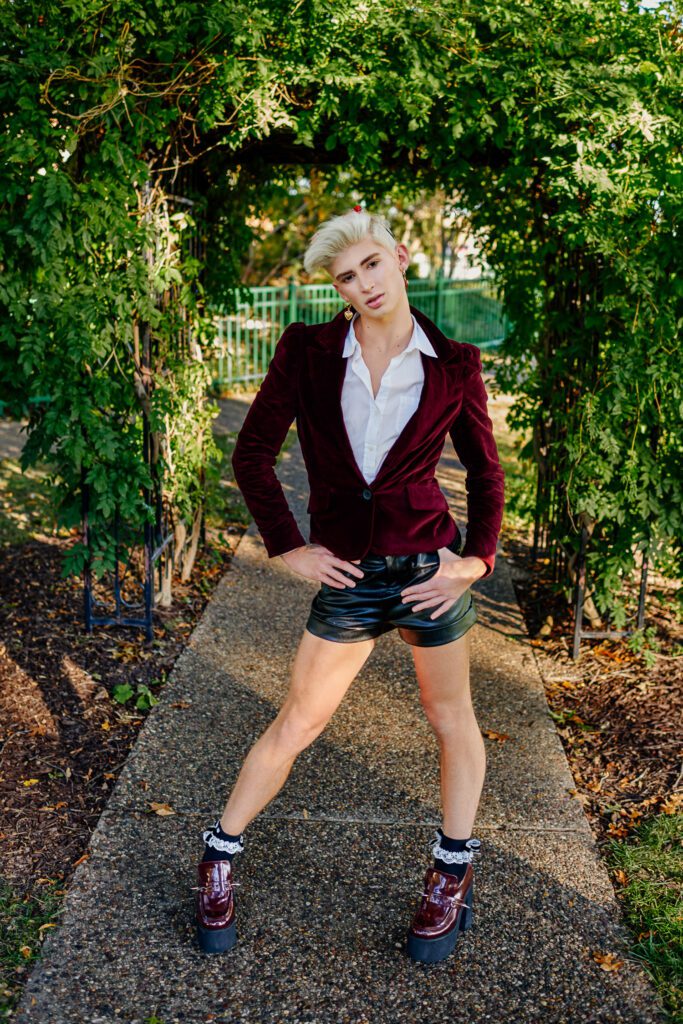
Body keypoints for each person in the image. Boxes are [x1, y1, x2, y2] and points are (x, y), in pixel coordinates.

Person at [193, 208, 505, 964]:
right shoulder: (307, 350)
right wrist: (289, 548)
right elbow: (253, 455)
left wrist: (476, 560)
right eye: (344, 276)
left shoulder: (455, 363)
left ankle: (450, 872)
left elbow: (486, 472)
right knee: (298, 719)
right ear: (334, 287)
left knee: (449, 716)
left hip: (426, 568)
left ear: (399, 257)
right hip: (348, 574)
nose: (363, 284)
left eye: (370, 264)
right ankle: (217, 856)